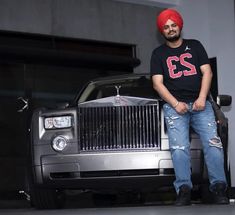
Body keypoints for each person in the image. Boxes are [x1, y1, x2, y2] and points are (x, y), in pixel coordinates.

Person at [150, 8, 229, 206]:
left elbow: (207, 73)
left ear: (179, 26)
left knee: (213, 145)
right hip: (174, 107)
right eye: (166, 27)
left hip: (200, 104)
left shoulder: (194, 46)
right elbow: (157, 83)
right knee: (179, 149)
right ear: (162, 31)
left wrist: (202, 98)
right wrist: (176, 104)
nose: (170, 29)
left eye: (173, 25)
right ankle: (184, 190)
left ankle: (219, 188)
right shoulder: (158, 53)